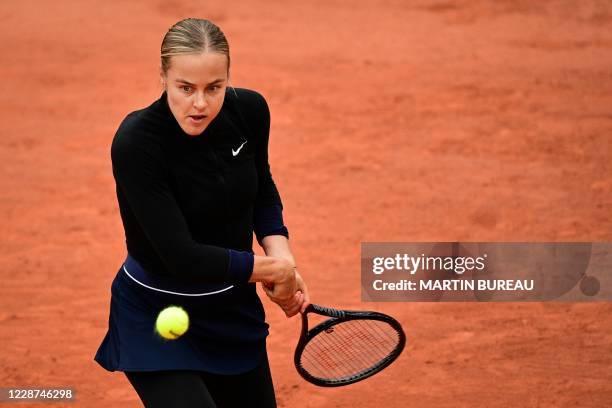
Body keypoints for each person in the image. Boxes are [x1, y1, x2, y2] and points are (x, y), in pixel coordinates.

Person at [94, 18, 309, 408]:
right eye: (186, 88)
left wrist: (282, 255)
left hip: (229, 310)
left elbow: (261, 190)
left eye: (215, 88)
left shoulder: (250, 111)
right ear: (163, 77)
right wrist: (269, 271)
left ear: (228, 78)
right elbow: (181, 256)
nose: (200, 103)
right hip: (156, 315)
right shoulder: (136, 143)